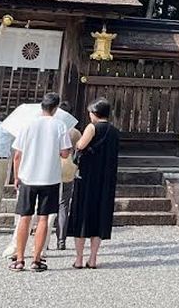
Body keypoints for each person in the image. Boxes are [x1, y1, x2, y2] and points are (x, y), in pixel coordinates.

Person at [10, 92, 71, 272]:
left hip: (28, 175)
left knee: (24, 217)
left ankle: (19, 259)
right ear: (56, 108)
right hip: (49, 177)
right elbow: (65, 153)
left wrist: (16, 176)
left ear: (41, 106)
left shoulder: (28, 124)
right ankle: (36, 259)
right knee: (43, 218)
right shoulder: (60, 125)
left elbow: (17, 155)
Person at [67, 97, 122, 269]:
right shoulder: (114, 131)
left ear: (94, 113)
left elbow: (81, 145)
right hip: (105, 179)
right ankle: (93, 258)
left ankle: (78, 258)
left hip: (88, 178)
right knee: (99, 216)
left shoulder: (92, 127)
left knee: (82, 214)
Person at [54, 126, 82, 251]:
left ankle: (45, 241)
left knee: (48, 204)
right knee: (64, 204)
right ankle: (61, 240)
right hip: (69, 167)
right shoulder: (75, 133)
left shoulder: (54, 129)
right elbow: (80, 150)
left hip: (53, 166)